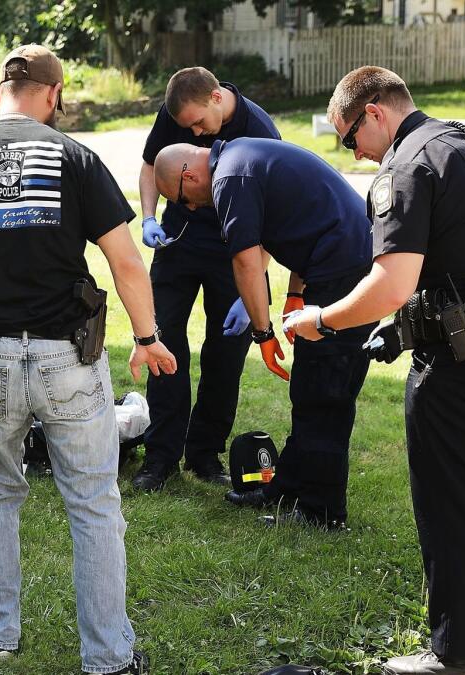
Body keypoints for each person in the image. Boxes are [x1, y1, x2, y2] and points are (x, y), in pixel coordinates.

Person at [284, 66, 465, 674]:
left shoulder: (406, 165)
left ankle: (463, 654)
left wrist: (322, 320)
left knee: (452, 497)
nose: (352, 151)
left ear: (375, 112)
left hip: (462, 360)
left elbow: (391, 282)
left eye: (349, 136)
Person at [0, 44, 174, 675]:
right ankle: (109, 656)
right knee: (93, 504)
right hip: (69, 362)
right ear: (53, 95)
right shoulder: (74, 157)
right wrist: (147, 337)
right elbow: (126, 259)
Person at [153, 138, 374, 529]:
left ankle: (320, 512)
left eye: (181, 198)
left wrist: (263, 332)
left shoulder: (230, 178)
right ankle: (288, 486)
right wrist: (294, 294)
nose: (188, 207)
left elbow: (245, 260)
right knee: (308, 388)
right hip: (338, 262)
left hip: (346, 272)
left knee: (326, 393)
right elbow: (305, 219)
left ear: (189, 175)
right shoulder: (244, 158)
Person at [132, 66, 281, 492]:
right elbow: (149, 166)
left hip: (236, 250)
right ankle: (160, 456)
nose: (195, 132)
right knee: (161, 342)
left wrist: (250, 288)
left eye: (198, 123)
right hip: (177, 239)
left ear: (217, 98)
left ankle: (204, 453)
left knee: (226, 356)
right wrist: (146, 217)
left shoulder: (259, 131)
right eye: (186, 127)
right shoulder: (176, 110)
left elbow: (274, 213)